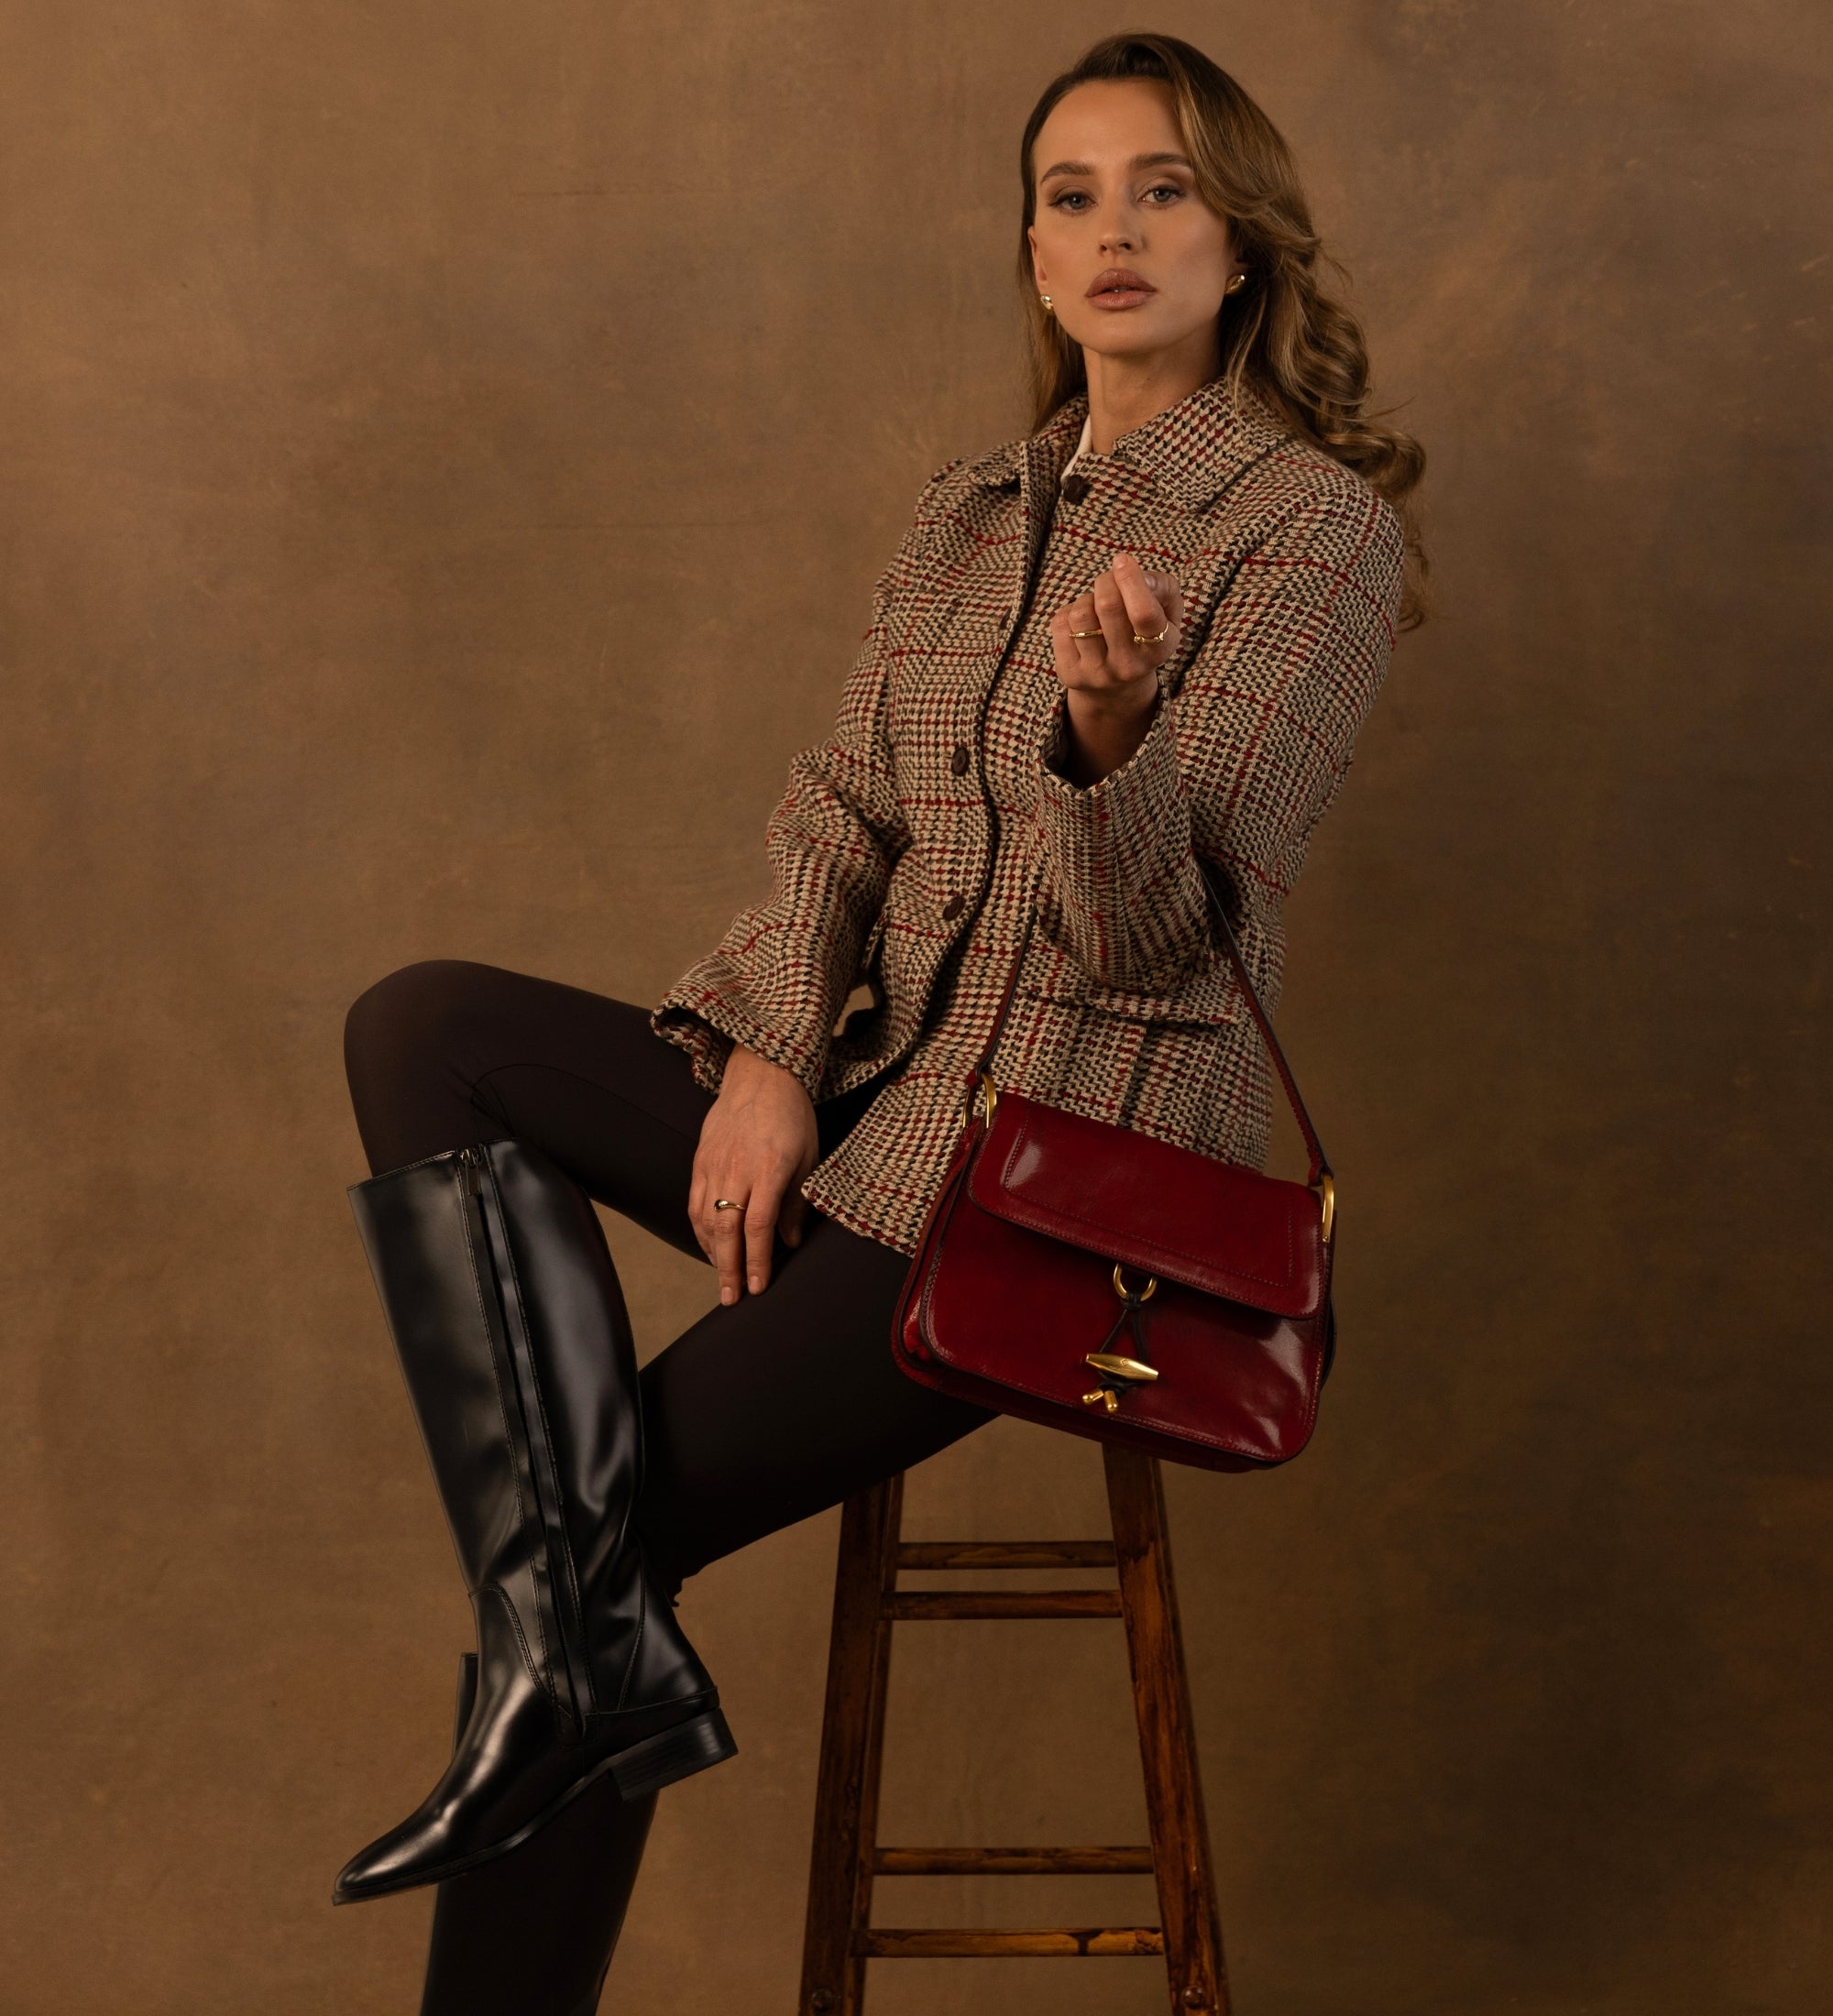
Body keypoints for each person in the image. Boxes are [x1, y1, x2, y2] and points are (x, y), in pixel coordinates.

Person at [334, 28, 1426, 2015]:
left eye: (1164, 189)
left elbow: (1166, 942)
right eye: (1073, 196)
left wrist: (1107, 743)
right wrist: (766, 1055)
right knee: (425, 1030)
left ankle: (567, 1673)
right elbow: (843, 808)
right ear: (1034, 254)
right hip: (869, 1104)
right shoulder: (968, 512)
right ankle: (577, 1646)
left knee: (589, 1558)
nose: (1116, 230)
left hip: (1059, 1182)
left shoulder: (1308, 533)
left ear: (1242, 242)